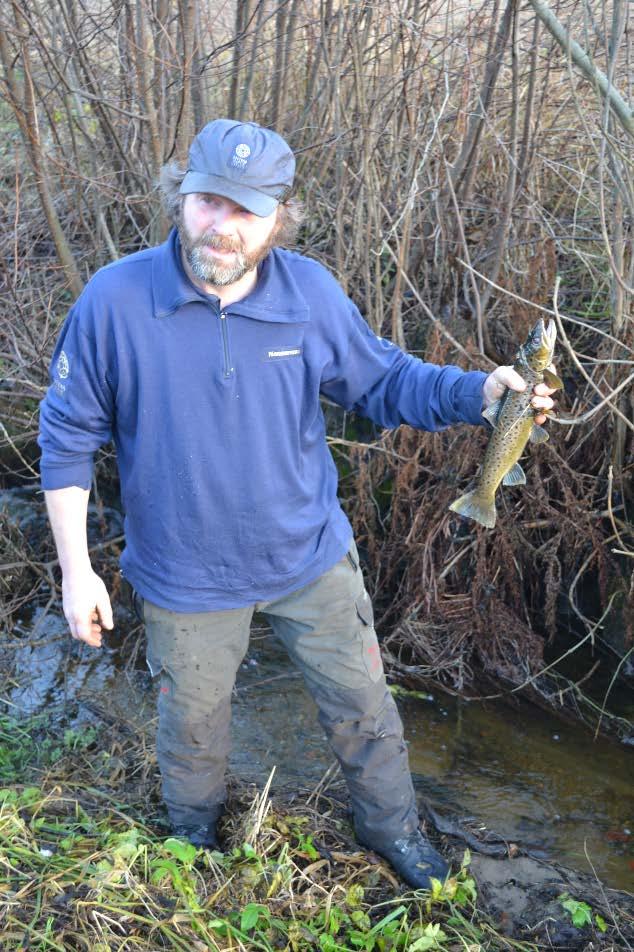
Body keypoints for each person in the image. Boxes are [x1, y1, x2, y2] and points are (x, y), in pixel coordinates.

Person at [38, 119, 556, 889]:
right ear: (180, 197)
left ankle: (394, 833)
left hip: (309, 556)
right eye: (208, 201)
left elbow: (384, 381)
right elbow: (67, 440)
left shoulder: (308, 293)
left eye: (246, 210)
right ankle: (192, 842)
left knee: (364, 710)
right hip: (184, 574)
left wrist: (478, 394)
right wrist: (77, 572)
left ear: (279, 216)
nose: (222, 226)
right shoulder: (113, 301)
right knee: (193, 730)